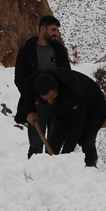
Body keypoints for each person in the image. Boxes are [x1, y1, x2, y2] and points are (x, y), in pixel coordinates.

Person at [14, 15, 70, 157]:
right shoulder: (26, 51)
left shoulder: (60, 50)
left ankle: (53, 175)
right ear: (42, 29)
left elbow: (67, 75)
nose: (55, 33)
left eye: (57, 30)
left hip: (56, 104)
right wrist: (32, 99)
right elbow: (20, 79)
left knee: (55, 145)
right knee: (36, 145)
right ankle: (35, 174)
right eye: (53, 29)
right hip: (37, 105)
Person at [32, 67, 106, 167]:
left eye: (52, 97)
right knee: (53, 143)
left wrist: (66, 155)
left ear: (57, 86)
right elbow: (25, 93)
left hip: (93, 110)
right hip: (63, 109)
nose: (50, 101)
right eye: (46, 99)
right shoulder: (38, 84)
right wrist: (30, 111)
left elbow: (75, 128)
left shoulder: (73, 93)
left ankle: (91, 167)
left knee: (87, 141)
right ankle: (49, 170)